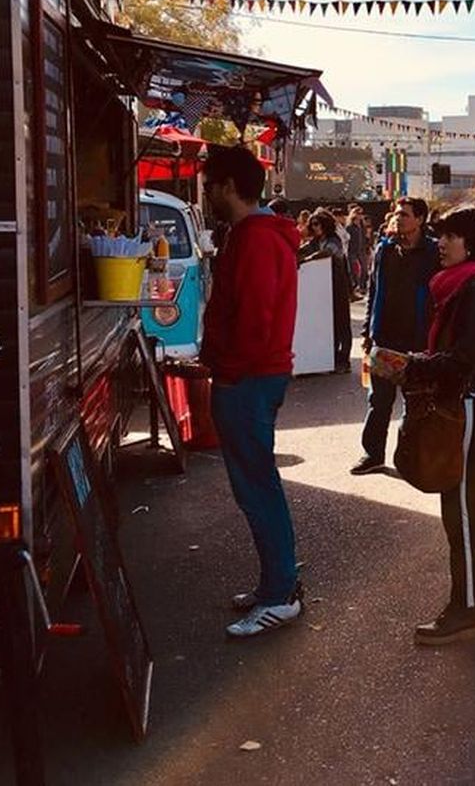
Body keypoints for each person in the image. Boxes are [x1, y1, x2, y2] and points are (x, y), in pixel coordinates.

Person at [398, 205, 475, 645]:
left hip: (468, 409)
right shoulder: (471, 283)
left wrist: (415, 365)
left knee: (464, 512)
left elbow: (468, 355)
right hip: (473, 407)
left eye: (450, 236)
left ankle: (466, 608)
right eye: (441, 236)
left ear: (471, 242)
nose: (442, 244)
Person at [199, 146, 303, 638]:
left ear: (226, 186)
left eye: (209, 184)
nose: (205, 193)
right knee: (259, 485)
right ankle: (276, 586)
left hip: (249, 378)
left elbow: (255, 320)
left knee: (258, 487)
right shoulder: (255, 234)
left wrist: (229, 370)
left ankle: (280, 593)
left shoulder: (256, 239)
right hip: (253, 375)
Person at [352, 197, 439, 475]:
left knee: (415, 403)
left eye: (405, 214)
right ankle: (372, 454)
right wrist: (367, 331)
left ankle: (410, 459)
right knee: (378, 401)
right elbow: (373, 292)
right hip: (384, 338)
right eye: (397, 214)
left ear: (420, 219)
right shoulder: (384, 250)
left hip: (418, 340)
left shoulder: (433, 253)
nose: (399, 218)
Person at [302, 210, 353, 372]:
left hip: (338, 286)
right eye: (313, 224)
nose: (315, 227)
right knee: (327, 323)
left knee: (341, 322)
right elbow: (303, 250)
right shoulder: (315, 242)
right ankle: (328, 358)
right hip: (322, 288)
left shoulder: (334, 240)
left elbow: (328, 252)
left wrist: (307, 259)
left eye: (318, 224)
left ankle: (343, 360)